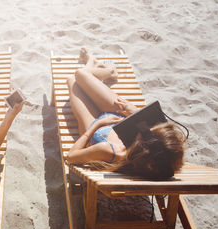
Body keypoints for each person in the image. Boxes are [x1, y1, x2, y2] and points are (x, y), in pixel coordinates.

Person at [66, 48, 185, 178]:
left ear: (142, 146)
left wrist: (98, 124)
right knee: (81, 75)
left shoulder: (110, 151)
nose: (146, 130)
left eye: (146, 132)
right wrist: (131, 110)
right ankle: (103, 70)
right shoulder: (159, 154)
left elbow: (70, 157)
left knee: (74, 79)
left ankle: (100, 67)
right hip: (119, 114)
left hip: (95, 126)